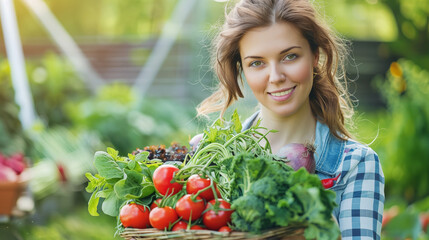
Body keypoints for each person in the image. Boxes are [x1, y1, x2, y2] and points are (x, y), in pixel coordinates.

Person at [194, 0, 385, 239]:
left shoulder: (356, 165)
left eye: (290, 56)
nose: (275, 77)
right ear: (241, 69)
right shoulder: (215, 161)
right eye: (256, 63)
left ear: (315, 55)